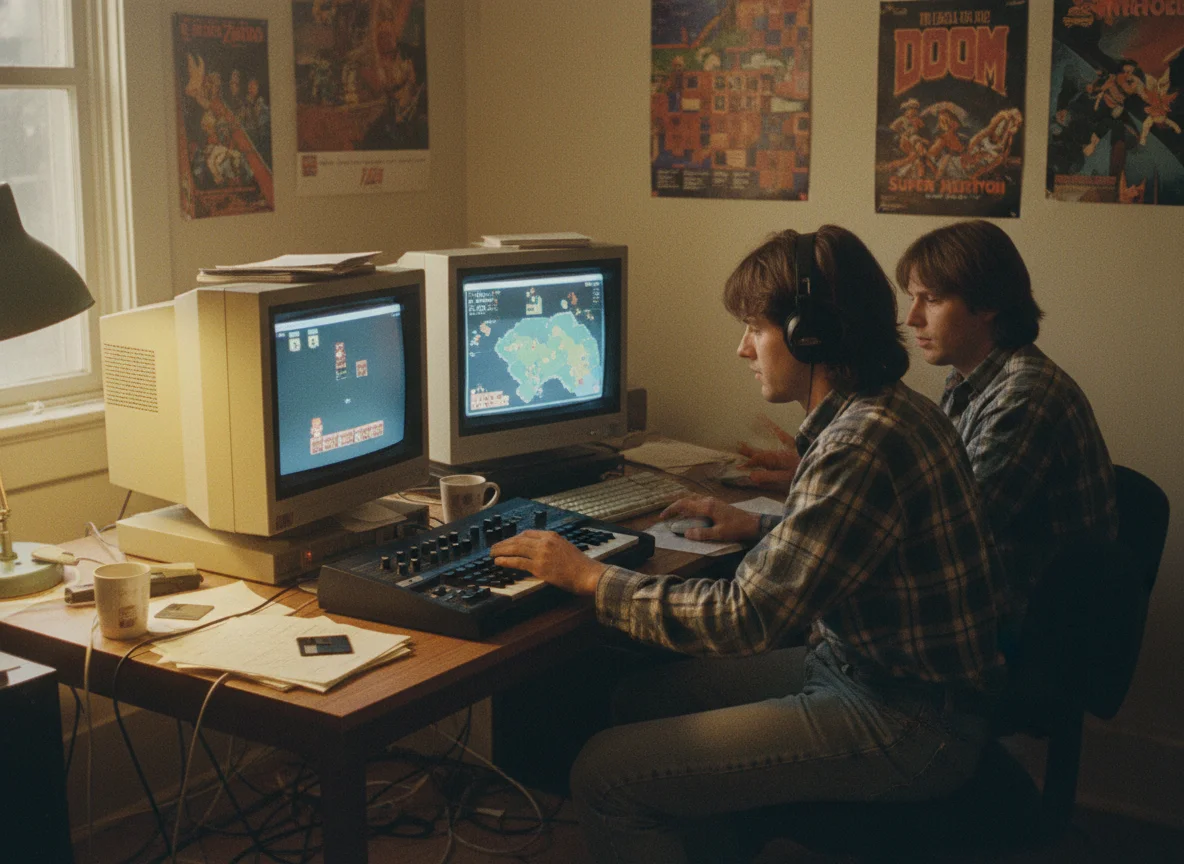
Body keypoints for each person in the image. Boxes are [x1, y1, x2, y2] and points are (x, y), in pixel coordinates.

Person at [491, 226, 1006, 864]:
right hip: (867, 672)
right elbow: (852, 548)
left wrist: (591, 578)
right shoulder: (885, 410)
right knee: (637, 698)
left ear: (808, 333)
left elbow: (748, 618)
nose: (743, 349)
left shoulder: (857, 442)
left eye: (755, 328)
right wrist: (761, 527)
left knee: (604, 774)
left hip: (908, 721)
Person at [897, 219, 1118, 623]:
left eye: (929, 299)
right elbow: (939, 492)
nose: (912, 318)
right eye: (912, 298)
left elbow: (949, 535)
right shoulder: (968, 378)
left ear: (987, 303)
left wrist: (767, 523)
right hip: (992, 600)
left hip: (1030, 629)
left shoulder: (1025, 395)